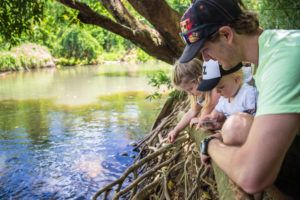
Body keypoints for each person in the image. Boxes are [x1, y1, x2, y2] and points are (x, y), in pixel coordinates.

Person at [178, 0, 300, 198]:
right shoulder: (267, 56)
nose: (206, 60)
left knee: (238, 131)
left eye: (205, 50)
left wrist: (210, 144)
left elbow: (252, 177)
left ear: (226, 35)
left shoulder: (282, 60)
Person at [198, 60, 258, 145]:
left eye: (221, 87)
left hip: (252, 139)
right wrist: (213, 118)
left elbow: (256, 122)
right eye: (214, 89)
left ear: (237, 79)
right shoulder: (224, 99)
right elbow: (219, 112)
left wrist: (223, 129)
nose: (217, 92)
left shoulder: (248, 94)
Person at [167, 58, 220, 143]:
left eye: (190, 89)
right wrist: (176, 130)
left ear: (200, 79)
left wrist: (200, 119)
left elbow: (209, 106)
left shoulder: (215, 89)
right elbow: (191, 112)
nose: (190, 93)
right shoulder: (199, 95)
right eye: (186, 91)